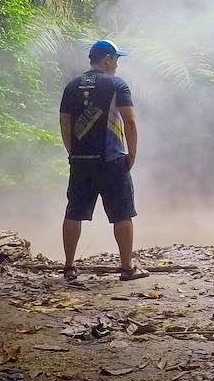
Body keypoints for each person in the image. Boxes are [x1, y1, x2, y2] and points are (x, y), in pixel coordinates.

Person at [59, 39, 149, 282]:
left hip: (80, 160)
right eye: (116, 58)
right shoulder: (117, 84)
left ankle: (69, 267)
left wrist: (72, 152)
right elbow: (129, 121)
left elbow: (65, 123)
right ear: (107, 58)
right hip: (111, 159)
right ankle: (127, 268)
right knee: (122, 214)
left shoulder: (72, 86)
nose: (117, 64)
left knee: (74, 212)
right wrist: (131, 154)